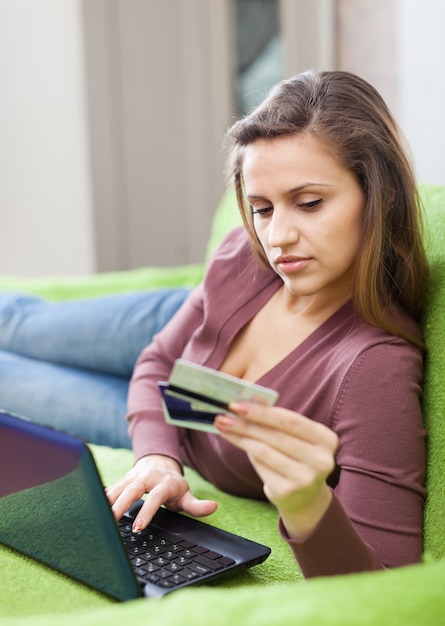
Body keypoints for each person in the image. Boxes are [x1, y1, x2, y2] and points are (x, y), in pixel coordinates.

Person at [0, 70, 427, 578]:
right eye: (261, 208)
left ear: (383, 196)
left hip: (181, 410)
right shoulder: (247, 256)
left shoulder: (371, 369)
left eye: (309, 203)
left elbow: (385, 590)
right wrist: (156, 458)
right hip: (188, 329)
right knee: (19, 322)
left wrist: (309, 506)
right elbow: (159, 362)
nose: (278, 238)